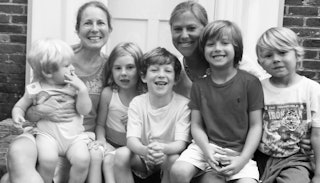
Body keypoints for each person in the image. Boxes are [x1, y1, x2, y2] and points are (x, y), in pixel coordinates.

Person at [1, 1, 112, 183]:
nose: (94, 29)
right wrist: (36, 112)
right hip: (47, 134)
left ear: (109, 28)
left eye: (100, 23)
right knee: (15, 170)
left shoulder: (113, 67)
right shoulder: (56, 57)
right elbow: (29, 103)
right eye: (87, 23)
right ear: (77, 29)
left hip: (78, 138)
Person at [170, 20, 264, 183]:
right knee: (179, 171)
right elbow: (196, 125)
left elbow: (256, 125)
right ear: (203, 50)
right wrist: (206, 150)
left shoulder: (251, 83)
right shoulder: (199, 86)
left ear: (236, 48)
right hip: (204, 147)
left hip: (240, 152)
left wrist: (242, 160)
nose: (217, 49)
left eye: (225, 43)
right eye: (211, 44)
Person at [12, 38, 92, 183]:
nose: (72, 68)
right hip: (48, 136)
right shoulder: (36, 88)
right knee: (48, 160)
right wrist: (18, 115)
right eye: (67, 65)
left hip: (74, 138)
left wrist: (82, 90)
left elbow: (85, 110)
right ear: (48, 72)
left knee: (83, 159)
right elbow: (20, 106)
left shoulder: (74, 86)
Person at [113, 47, 191, 183]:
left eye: (167, 71)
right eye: (154, 70)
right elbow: (132, 140)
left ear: (176, 78)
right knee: (121, 154)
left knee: (173, 159)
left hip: (168, 155)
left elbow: (181, 143)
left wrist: (163, 149)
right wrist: (145, 150)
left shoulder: (184, 105)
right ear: (143, 76)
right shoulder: (137, 103)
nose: (161, 75)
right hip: (144, 155)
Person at [254, 27, 320, 183]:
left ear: (297, 54)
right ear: (260, 63)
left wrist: (319, 174)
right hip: (260, 156)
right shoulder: (257, 88)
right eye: (269, 55)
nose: (276, 59)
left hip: (296, 158)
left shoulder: (311, 89)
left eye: (282, 52)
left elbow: (318, 135)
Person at [170, 1, 269, 99]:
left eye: (191, 28)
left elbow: (268, 91)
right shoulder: (171, 70)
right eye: (177, 29)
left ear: (206, 29)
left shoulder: (233, 60)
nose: (184, 36)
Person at [87, 42, 144, 183]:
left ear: (140, 70)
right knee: (101, 158)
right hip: (111, 143)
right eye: (118, 68)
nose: (123, 73)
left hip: (132, 150)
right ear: (111, 70)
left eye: (130, 67)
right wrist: (101, 140)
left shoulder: (145, 98)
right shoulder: (109, 94)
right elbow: (100, 124)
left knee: (110, 161)